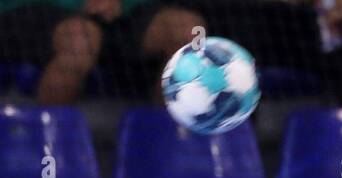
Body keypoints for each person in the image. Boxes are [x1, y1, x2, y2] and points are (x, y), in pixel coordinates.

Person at [0, 0, 203, 104]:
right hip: (35, 10)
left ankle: (161, 155)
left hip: (124, 13)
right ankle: (48, 159)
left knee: (189, 32)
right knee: (79, 41)